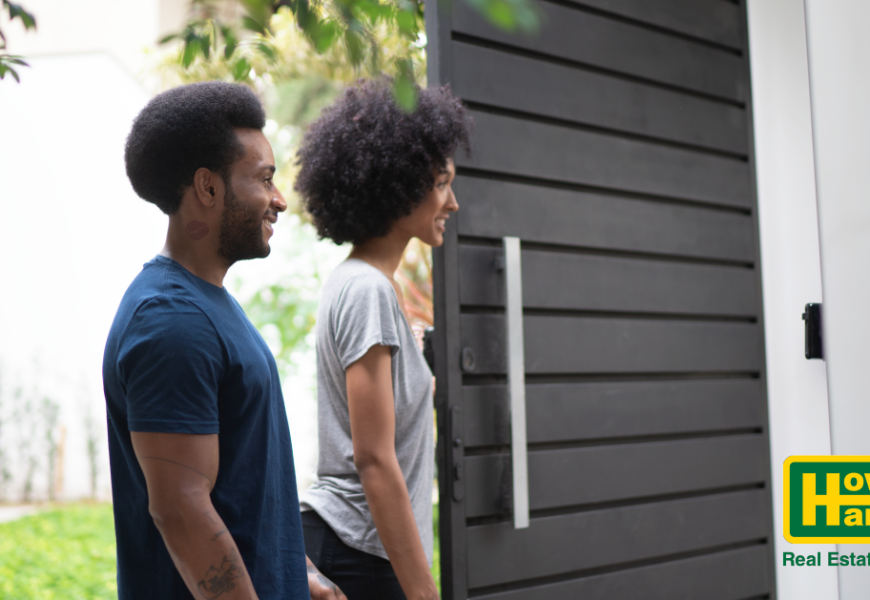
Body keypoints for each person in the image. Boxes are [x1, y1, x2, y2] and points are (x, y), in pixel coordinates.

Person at [103, 81, 310, 600]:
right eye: (265, 180)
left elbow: (244, 484)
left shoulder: (204, 303)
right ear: (208, 187)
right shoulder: (172, 320)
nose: (279, 200)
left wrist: (300, 572)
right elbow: (181, 510)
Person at [294, 79, 473, 600]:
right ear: (398, 185)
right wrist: (423, 592)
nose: (453, 202)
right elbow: (373, 458)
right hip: (359, 553)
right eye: (441, 183)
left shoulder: (365, 285)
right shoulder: (367, 289)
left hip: (362, 548)